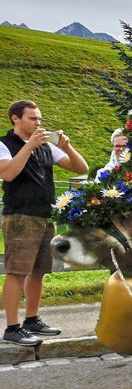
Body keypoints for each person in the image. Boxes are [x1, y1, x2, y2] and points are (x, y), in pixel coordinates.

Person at [1, 100, 89, 346]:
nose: (38, 123)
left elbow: (82, 168)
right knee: (16, 272)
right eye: (33, 118)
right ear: (15, 119)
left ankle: (32, 320)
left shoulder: (45, 146)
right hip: (20, 216)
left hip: (44, 215)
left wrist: (68, 147)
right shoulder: (3, 144)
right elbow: (7, 173)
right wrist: (28, 146)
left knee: (39, 271)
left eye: (39, 118)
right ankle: (12, 327)